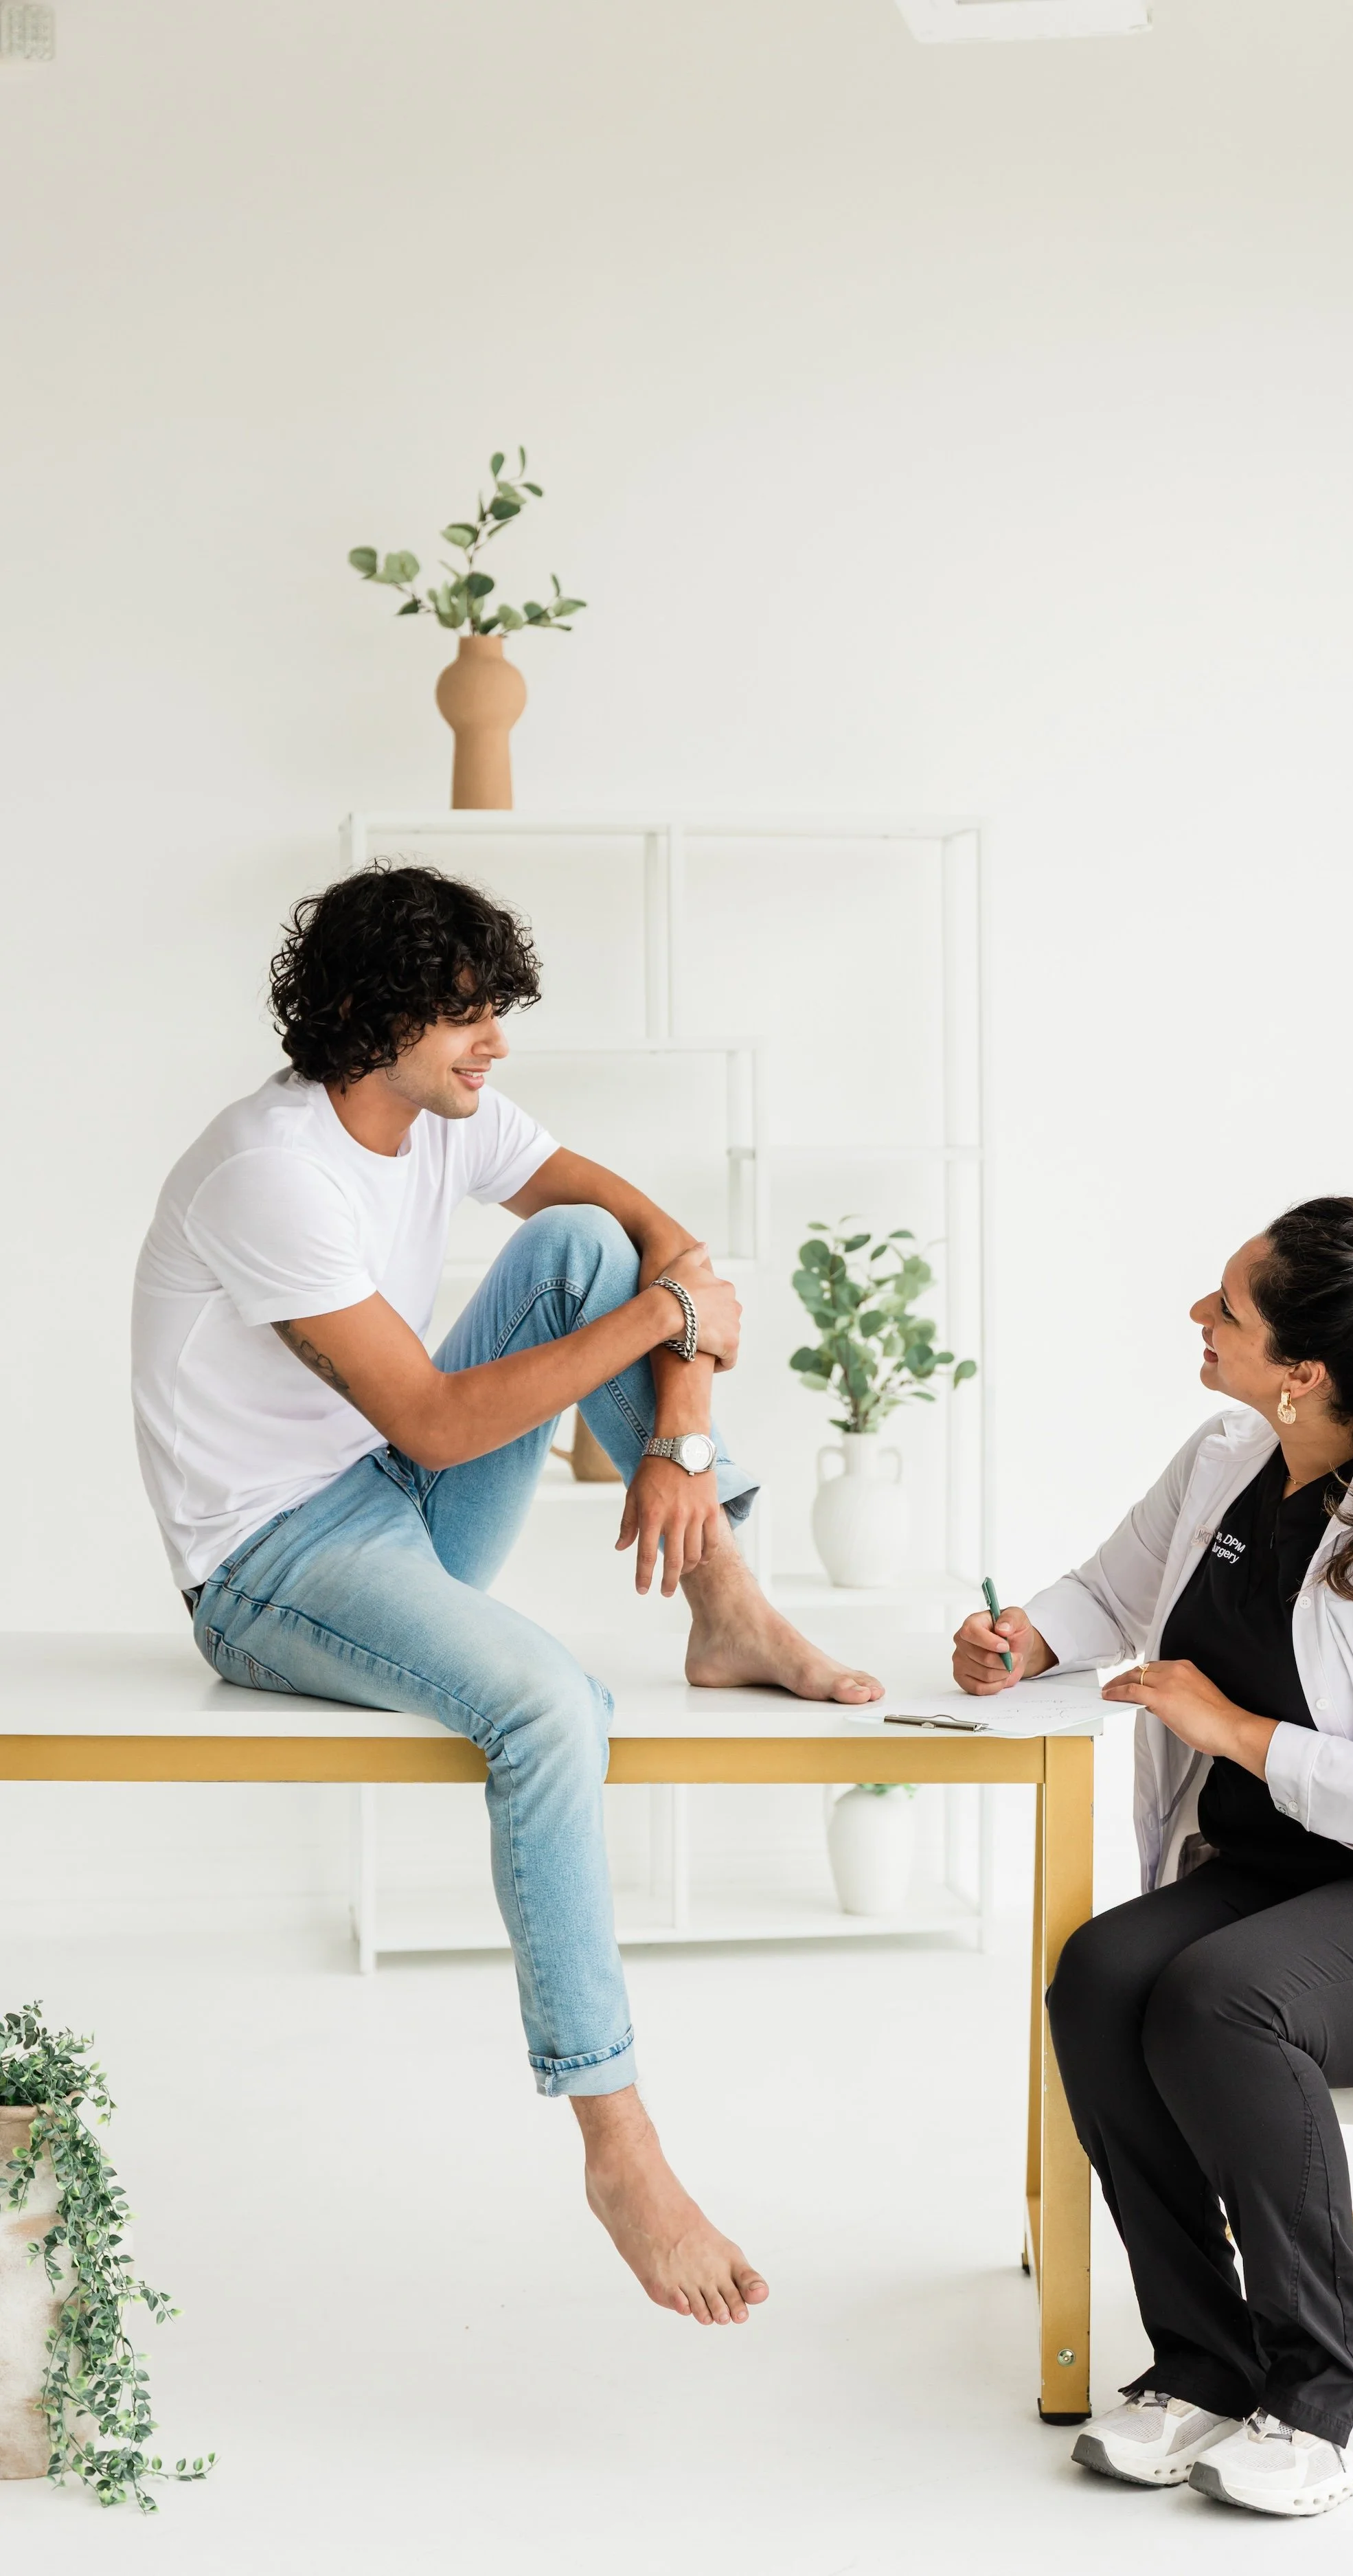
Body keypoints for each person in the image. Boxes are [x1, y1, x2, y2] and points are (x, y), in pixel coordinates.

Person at [133, 861, 886, 2329]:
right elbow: (432, 1421)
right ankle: (619, 2146)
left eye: (494, 1015)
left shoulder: (433, 1118)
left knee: (575, 1249)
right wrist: (672, 1322)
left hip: (386, 1509)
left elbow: (659, 1244)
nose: (492, 1047)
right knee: (548, 1705)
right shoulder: (268, 1173)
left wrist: (674, 1434)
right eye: (464, 1018)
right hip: (270, 1567)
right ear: (368, 1019)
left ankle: (722, 1602)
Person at [951, 1199, 1353, 2518]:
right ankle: (1203, 2361)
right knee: (1103, 1971)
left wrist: (1237, 1730)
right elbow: (1113, 1588)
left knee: (1218, 2001)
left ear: (1303, 1371)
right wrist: (1022, 1638)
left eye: (1227, 1307)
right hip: (1260, 1868)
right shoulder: (1229, 1454)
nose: (1199, 1316)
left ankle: (1349, 2393)